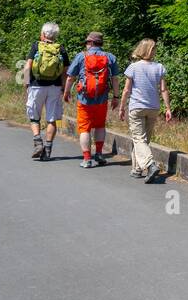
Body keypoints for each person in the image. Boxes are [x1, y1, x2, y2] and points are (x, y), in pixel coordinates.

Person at [118, 39, 172, 183]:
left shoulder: (133, 67)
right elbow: (163, 89)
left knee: (138, 138)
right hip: (153, 107)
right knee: (143, 140)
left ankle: (149, 164)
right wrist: (168, 108)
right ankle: (136, 169)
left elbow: (126, 90)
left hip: (137, 107)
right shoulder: (159, 67)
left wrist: (122, 107)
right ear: (150, 50)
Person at [63, 31, 119, 169]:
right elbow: (115, 79)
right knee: (100, 125)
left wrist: (66, 92)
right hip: (102, 98)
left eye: (87, 42)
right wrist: (116, 97)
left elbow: (70, 77)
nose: (86, 45)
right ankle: (99, 154)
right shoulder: (110, 57)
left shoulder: (81, 56)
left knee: (84, 128)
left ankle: (87, 159)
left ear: (91, 43)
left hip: (84, 99)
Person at [24, 22, 69, 161]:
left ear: (43, 34)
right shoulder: (60, 48)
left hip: (36, 86)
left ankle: (38, 142)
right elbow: (65, 71)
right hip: (54, 87)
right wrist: (63, 87)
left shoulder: (36, 46)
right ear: (56, 35)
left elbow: (27, 67)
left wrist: (27, 83)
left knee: (34, 116)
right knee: (52, 119)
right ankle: (48, 149)